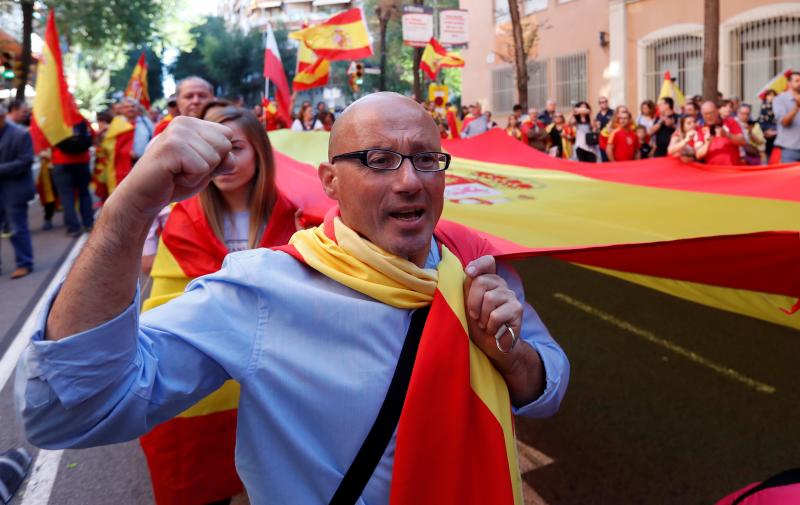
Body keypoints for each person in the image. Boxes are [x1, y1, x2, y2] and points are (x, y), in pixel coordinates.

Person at [16, 92, 569, 503]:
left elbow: (549, 386)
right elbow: (69, 410)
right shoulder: (265, 289)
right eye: (378, 160)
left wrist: (512, 358)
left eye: (426, 159)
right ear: (330, 181)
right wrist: (128, 211)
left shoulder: (473, 264)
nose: (409, 181)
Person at [139, 106, 300, 505]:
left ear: (260, 153)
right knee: (204, 479)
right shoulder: (181, 219)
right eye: (216, 150)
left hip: (277, 380)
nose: (224, 161)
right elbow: (167, 309)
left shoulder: (296, 216)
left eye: (236, 148)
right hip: (208, 388)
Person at [0, 104, 35, 279]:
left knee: (17, 228)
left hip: (14, 190)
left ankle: (24, 263)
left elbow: (26, 161)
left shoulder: (20, 134)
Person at [51, 114, 95, 237]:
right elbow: (92, 136)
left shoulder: (56, 121)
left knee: (66, 196)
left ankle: (73, 227)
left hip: (61, 161)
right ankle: (89, 223)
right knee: (84, 193)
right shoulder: (81, 119)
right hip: (81, 161)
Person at [695, 101, 746, 165]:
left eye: (711, 113)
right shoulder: (700, 130)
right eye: (705, 114)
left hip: (732, 168)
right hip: (712, 169)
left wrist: (726, 134)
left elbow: (742, 141)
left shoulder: (730, 122)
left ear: (717, 111)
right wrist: (707, 143)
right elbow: (698, 155)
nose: (709, 116)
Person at [772, 71, 800, 163]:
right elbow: (784, 122)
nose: (799, 83)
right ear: (789, 83)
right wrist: (796, 107)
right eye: (797, 81)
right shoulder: (779, 99)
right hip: (789, 149)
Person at [758, 89, 778, 160]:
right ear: (766, 96)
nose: (772, 97)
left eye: (773, 95)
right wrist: (765, 130)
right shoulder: (763, 106)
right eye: (769, 95)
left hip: (777, 130)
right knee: (768, 150)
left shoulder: (778, 105)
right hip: (766, 131)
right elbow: (761, 120)